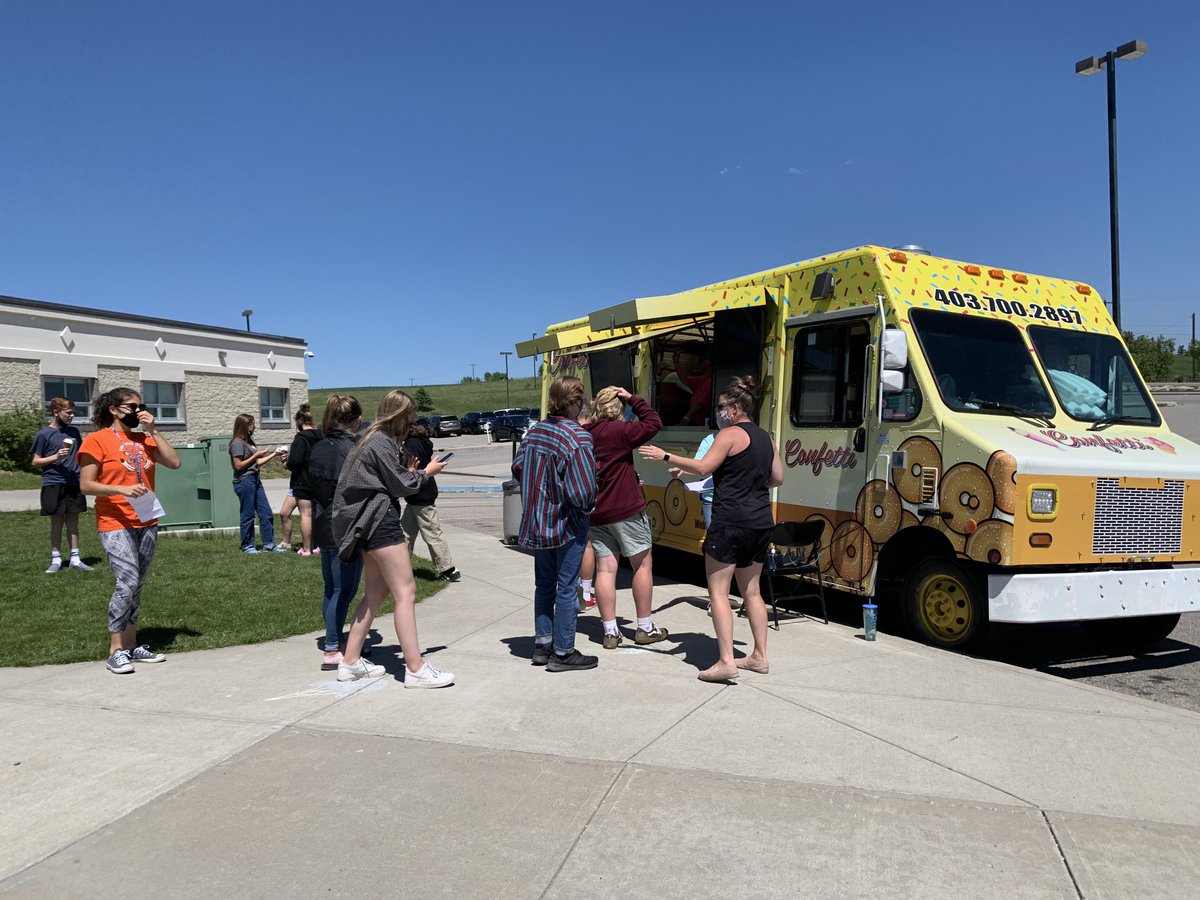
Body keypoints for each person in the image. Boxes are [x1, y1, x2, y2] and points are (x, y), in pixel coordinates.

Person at [640, 376, 783, 682]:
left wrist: (664, 455)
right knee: (753, 592)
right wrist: (751, 485)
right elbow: (777, 478)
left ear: (733, 408)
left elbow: (704, 467)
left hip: (730, 521)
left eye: (720, 407)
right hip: (759, 521)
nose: (717, 412)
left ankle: (726, 660)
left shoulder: (730, 435)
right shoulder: (765, 438)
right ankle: (759, 656)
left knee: (718, 592)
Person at [331, 389, 453, 688]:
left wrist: (409, 472)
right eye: (409, 416)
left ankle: (349, 662)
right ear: (399, 416)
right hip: (379, 521)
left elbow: (391, 479)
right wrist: (427, 472)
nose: (412, 422)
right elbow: (401, 486)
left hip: (365, 523)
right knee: (406, 592)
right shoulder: (381, 442)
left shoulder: (370, 439)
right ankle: (415, 668)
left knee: (376, 594)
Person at [78, 387, 182, 674]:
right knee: (127, 581)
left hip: (146, 518)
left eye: (141, 406)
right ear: (114, 409)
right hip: (115, 520)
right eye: (132, 407)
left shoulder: (143, 439)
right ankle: (115, 649)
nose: (138, 411)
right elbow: (86, 485)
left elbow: (174, 462)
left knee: (139, 583)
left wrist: (154, 430)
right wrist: (121, 489)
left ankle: (132, 644)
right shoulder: (96, 440)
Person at [512, 375, 598, 672]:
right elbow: (582, 491)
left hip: (537, 521)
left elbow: (518, 468)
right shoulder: (578, 437)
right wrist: (587, 507)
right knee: (566, 587)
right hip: (567, 524)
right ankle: (563, 651)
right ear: (574, 402)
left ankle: (542, 644)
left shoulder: (535, 432)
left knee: (544, 584)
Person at [584, 385, 668, 649]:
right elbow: (654, 422)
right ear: (619, 407)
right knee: (642, 565)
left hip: (597, 512)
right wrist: (633, 398)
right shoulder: (620, 431)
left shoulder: (585, 434)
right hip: (627, 511)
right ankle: (644, 627)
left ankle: (610, 632)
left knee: (606, 570)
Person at [307, 395, 366, 671]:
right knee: (344, 589)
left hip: (323, 522)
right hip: (345, 526)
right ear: (356, 420)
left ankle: (334, 641)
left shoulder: (318, 446)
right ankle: (332, 648)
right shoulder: (353, 448)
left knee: (332, 588)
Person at [30, 397, 91, 573]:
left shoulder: (73, 432)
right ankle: (56, 559)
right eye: (68, 413)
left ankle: (75, 558)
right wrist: (56, 457)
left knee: (73, 521)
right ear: (56, 412)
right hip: (53, 482)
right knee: (57, 522)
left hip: (74, 481)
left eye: (73, 412)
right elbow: (35, 461)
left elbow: (79, 455)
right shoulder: (43, 434)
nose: (72, 416)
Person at [400, 420, 461, 582]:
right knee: (405, 533)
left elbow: (411, 468)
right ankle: (400, 567)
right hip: (418, 495)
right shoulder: (420, 441)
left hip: (421, 495)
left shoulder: (411, 444)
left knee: (432, 533)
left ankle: (448, 569)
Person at [229, 413, 287, 554]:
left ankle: (269, 544)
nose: (254, 426)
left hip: (255, 479)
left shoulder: (249, 442)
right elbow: (238, 465)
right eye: (251, 424)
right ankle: (248, 546)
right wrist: (255, 455)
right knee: (248, 514)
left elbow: (257, 463)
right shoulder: (237, 443)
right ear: (244, 426)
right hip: (244, 481)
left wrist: (274, 455)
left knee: (265, 512)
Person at [282, 403, 322, 556]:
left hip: (303, 481)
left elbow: (295, 462)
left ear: (299, 422)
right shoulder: (321, 435)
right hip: (320, 481)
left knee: (306, 514)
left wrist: (286, 462)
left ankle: (307, 548)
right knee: (318, 515)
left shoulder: (301, 438)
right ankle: (319, 545)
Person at [674, 350, 713, 426]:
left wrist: (687, 418)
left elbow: (700, 405)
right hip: (695, 422)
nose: (699, 366)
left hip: (703, 426)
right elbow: (685, 379)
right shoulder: (703, 380)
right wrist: (676, 362)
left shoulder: (711, 382)